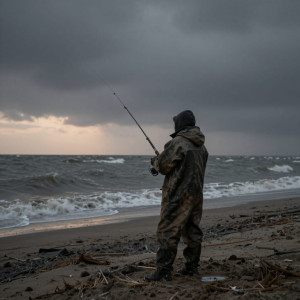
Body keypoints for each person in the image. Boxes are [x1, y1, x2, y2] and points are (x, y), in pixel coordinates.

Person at [145, 110, 208, 281]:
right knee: (192, 232)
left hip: (177, 196)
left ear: (179, 125)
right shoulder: (201, 145)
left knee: (167, 232)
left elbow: (164, 166)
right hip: (196, 195)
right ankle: (191, 268)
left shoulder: (178, 142)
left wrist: (154, 162)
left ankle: (164, 271)